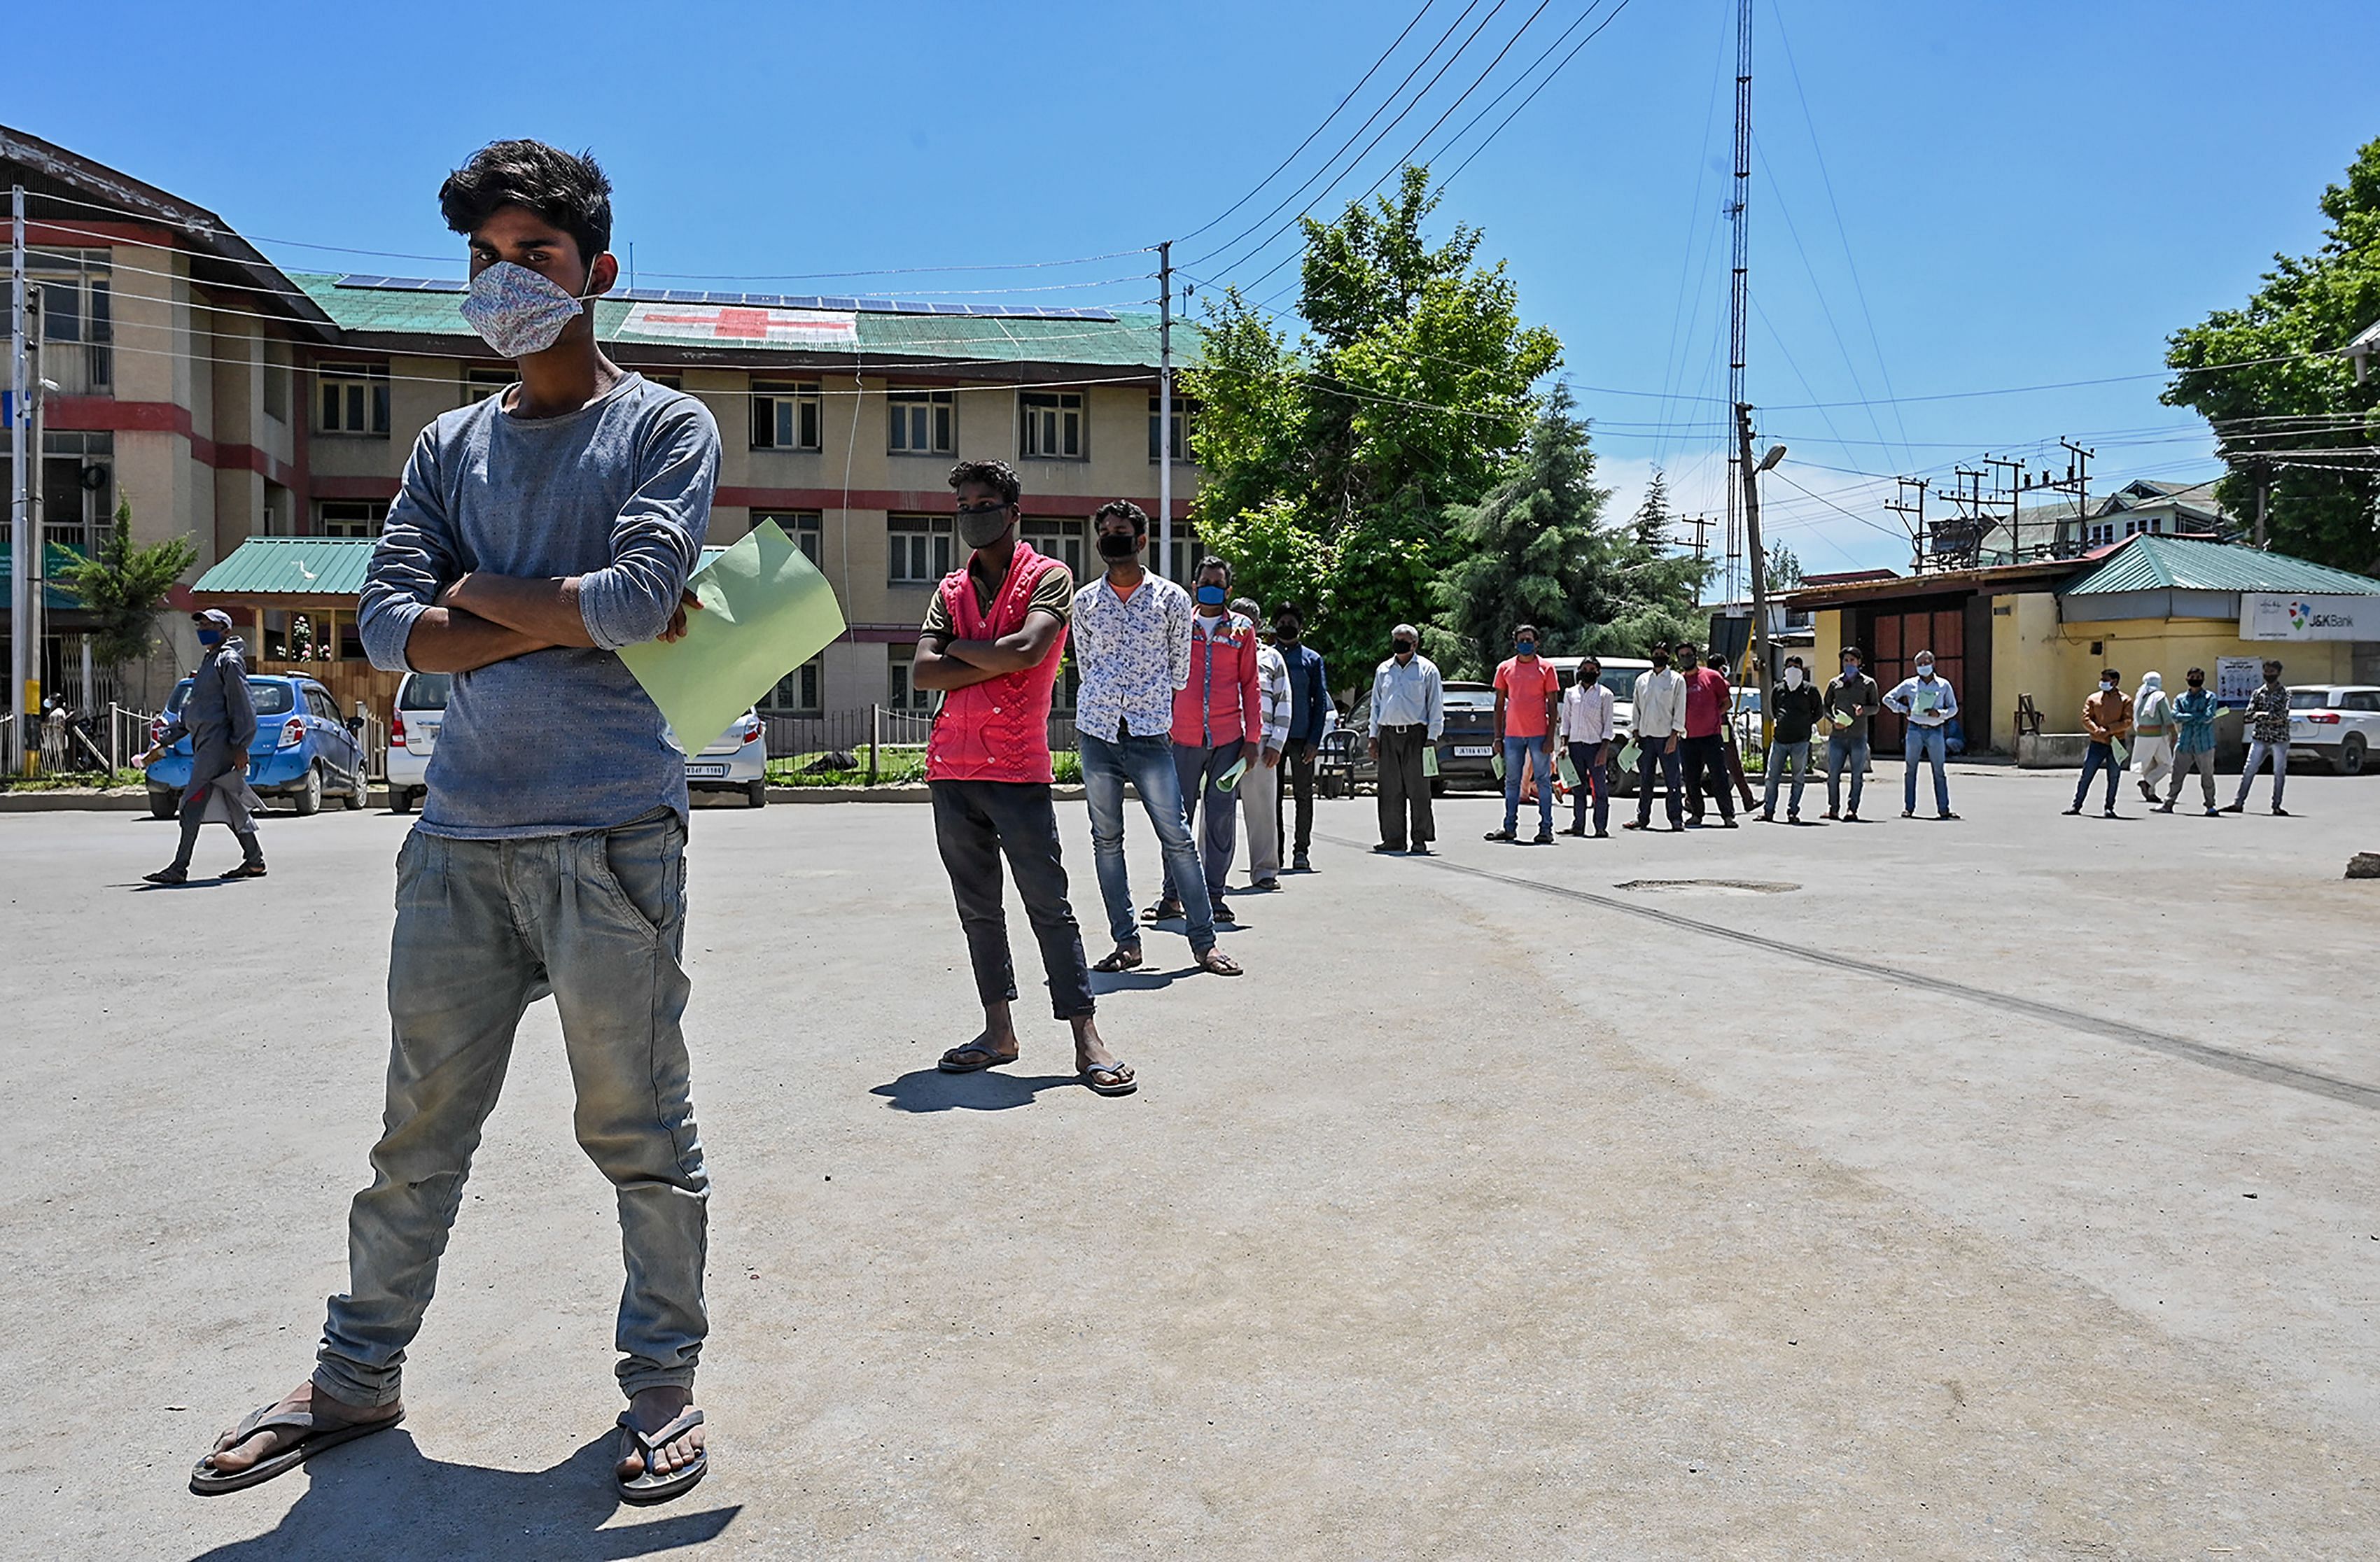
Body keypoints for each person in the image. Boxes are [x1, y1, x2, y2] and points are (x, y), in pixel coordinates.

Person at [196, 142, 719, 1504]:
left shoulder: (664, 430)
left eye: (532, 258)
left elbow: (640, 596)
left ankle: (661, 1384)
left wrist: (481, 597)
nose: (505, 283)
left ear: (597, 273)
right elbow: (386, 628)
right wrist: (556, 601)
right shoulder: (445, 446)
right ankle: (355, 1377)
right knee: (414, 1134)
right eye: (482, 261)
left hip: (612, 843)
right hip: (456, 841)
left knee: (640, 1133)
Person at [912, 460, 1132, 1096]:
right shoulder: (949, 590)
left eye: (985, 503)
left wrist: (958, 651)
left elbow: (1033, 651)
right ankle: (998, 1031)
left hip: (1015, 767)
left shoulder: (1050, 578)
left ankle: (1086, 1037)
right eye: (963, 505)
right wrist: (989, 657)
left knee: (1050, 908)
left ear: (1013, 512)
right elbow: (923, 672)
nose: (971, 513)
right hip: (950, 768)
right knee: (978, 909)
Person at [1070, 502, 1240, 977]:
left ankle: (1205, 944)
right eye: (1103, 531)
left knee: (1179, 838)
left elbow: (1180, 671)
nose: (1110, 538)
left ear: (1141, 540)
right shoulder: (1084, 602)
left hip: (1148, 734)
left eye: (1120, 531)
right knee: (1106, 841)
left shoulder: (1170, 601)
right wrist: (1109, 702)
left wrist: (1143, 702)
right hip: (1098, 732)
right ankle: (1127, 944)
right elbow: (1086, 667)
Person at [1152, 558, 1262, 925]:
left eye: (1218, 582)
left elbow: (1251, 684)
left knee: (1220, 818)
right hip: (1180, 737)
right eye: (1205, 581)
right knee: (1176, 819)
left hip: (1229, 738)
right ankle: (1172, 896)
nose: (1211, 586)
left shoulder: (1242, 630)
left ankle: (1215, 895)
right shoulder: (1180, 623)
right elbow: (1162, 675)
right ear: (1195, 585)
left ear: (1228, 590)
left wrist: (1254, 738)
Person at [139, 609, 267, 885]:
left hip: (217, 746)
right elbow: (196, 711)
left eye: (211, 625)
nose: (203, 629)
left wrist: (241, 745)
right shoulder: (211, 661)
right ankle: (254, 861)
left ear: (226, 631)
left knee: (191, 803)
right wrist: (165, 740)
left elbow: (243, 707)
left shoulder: (228, 661)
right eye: (201, 624)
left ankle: (179, 867)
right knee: (232, 803)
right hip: (206, 744)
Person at [1368, 624, 1443, 854]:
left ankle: (1419, 839)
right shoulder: (1383, 670)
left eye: (1404, 640)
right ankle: (1393, 839)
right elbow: (1376, 704)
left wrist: (1432, 738)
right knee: (1390, 790)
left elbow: (1435, 706)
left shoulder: (1427, 670)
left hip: (1417, 736)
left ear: (1415, 644)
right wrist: (1373, 736)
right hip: (1389, 735)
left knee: (1418, 790)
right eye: (1397, 639)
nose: (1400, 643)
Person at [1486, 625, 1561, 844]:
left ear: (1537, 643)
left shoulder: (1547, 669)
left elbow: (1553, 706)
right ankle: (1509, 827)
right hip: (1512, 735)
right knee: (1512, 782)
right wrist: (1498, 737)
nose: (1525, 643)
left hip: (1539, 735)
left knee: (1543, 781)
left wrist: (1550, 738)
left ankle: (1546, 828)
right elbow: (1499, 705)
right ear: (1515, 643)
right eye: (1521, 640)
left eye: (1529, 639)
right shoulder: (1505, 668)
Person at [1236, 596, 1290, 891]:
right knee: (1214, 811)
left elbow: (1284, 702)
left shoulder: (1271, 658)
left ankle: (1265, 871)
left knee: (1263, 811)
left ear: (1257, 626)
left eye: (1248, 621)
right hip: (1224, 740)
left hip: (1261, 744)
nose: (1242, 625)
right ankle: (1208, 874)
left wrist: (1276, 744)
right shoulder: (1218, 650)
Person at [1273, 604, 1329, 872]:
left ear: (1300, 626)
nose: (1287, 625)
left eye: (1291, 621)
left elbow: (1320, 703)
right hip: (1273, 740)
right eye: (1282, 621)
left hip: (1301, 738)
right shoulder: (1266, 657)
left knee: (1303, 796)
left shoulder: (1312, 659)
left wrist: (1314, 741)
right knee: (1272, 798)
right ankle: (1274, 852)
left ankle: (1301, 851)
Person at [1884, 650, 1960, 820]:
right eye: (1920, 664)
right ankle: (1909, 807)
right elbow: (1888, 699)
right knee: (1910, 769)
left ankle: (1944, 809)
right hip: (1915, 729)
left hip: (1935, 730)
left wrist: (1939, 713)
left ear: (1934, 664)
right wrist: (1904, 710)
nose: (1924, 666)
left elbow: (1954, 708)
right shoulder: (1909, 684)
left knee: (1939, 770)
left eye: (1927, 663)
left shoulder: (1943, 685)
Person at [1623, 644, 1688, 831]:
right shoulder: (1642, 680)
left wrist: (1675, 735)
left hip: (1667, 737)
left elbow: (1680, 709)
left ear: (1668, 656)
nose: (1658, 656)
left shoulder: (1676, 680)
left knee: (1672, 780)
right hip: (1645, 738)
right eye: (1656, 654)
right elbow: (1636, 707)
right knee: (1645, 780)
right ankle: (1642, 818)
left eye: (1662, 654)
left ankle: (1676, 818)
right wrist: (1635, 731)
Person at [1676, 641, 1737, 829]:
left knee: (1719, 776)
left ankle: (1727, 815)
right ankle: (1696, 814)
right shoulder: (1678, 681)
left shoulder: (1712, 677)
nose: (1686, 658)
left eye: (1689, 654)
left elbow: (1727, 703)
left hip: (1711, 737)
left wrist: (1713, 715)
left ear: (1695, 656)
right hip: (1687, 738)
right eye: (1682, 656)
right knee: (1691, 778)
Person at [1760, 655, 1824, 823]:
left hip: (1801, 741)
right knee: (1772, 777)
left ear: (1802, 670)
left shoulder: (1810, 690)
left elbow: (1818, 712)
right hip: (1780, 740)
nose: (1793, 669)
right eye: (1790, 666)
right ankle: (1768, 811)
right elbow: (1774, 709)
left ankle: (1793, 811)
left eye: (1796, 666)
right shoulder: (1779, 689)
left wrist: (1805, 723)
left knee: (1798, 778)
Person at [2224, 659, 2292, 815]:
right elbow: (2248, 716)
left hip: (2279, 738)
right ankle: (2238, 803)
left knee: (2279, 772)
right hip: (2260, 737)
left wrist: (2260, 715)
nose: (2269, 675)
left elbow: (2282, 716)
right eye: (2266, 672)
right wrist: (2267, 716)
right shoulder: (2258, 693)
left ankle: (2276, 806)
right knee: (2249, 770)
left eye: (2272, 672)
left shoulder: (2285, 693)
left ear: (2279, 673)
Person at [1558, 654, 1616, 838]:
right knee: (1578, 788)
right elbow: (1566, 721)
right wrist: (1564, 745)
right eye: (1585, 669)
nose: (1588, 673)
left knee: (1599, 789)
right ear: (1579, 671)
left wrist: (1604, 750)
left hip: (1595, 746)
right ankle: (1578, 824)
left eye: (1592, 670)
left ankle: (1600, 826)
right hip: (1575, 746)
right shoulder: (1570, 693)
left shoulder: (1605, 695)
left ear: (1598, 672)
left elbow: (1608, 725)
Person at [2066, 668, 2135, 818]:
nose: (2102, 682)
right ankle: (2076, 805)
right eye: (2102, 679)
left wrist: (2109, 730)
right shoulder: (2093, 698)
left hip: (2117, 742)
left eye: (2106, 679)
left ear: (2115, 682)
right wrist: (2097, 730)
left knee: (2114, 775)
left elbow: (2128, 721)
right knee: (2087, 774)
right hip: (2097, 742)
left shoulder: (2125, 700)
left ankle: (2109, 807)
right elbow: (2086, 718)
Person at [1823, 646, 1881, 822]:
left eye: (1853, 660)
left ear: (1859, 662)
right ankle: (1833, 809)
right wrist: (1833, 721)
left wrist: (1863, 710)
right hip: (1837, 737)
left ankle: (1852, 809)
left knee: (1857, 775)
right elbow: (1826, 706)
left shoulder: (1868, 684)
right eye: (1846, 660)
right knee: (1833, 774)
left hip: (1858, 736)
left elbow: (1876, 707)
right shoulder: (1835, 683)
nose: (1849, 664)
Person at [2157, 666, 2221, 817]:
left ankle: (2210, 805)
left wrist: (2188, 716)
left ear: (2203, 679)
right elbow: (2176, 716)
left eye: (2198, 676)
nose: (2195, 679)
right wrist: (2194, 716)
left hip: (2204, 744)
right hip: (2185, 743)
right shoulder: (2180, 698)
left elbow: (2208, 717)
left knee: (2207, 776)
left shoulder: (2209, 697)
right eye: (2192, 676)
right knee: (2177, 776)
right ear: (2187, 678)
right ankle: (2168, 803)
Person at [2131, 671, 2174, 805]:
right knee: (2166, 764)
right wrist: (2174, 733)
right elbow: (2167, 717)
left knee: (2150, 765)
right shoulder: (2160, 697)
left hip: (2142, 735)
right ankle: (2148, 782)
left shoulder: (2140, 696)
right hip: (2157, 735)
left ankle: (2150, 793)